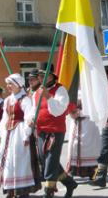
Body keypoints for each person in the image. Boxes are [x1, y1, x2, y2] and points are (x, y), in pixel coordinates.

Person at [34, 65, 77, 198]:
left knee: (51, 159)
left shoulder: (60, 90)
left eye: (45, 75)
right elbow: (33, 110)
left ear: (52, 76)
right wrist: (31, 119)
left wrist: (49, 97)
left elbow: (58, 112)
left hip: (55, 130)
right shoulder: (36, 92)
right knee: (45, 159)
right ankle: (69, 182)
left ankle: (49, 190)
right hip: (41, 130)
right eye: (40, 76)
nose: (42, 78)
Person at [0, 73, 41, 198]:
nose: (8, 86)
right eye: (8, 84)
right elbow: (4, 119)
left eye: (11, 83)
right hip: (9, 134)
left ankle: (23, 190)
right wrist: (0, 134)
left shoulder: (25, 100)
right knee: (8, 160)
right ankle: (11, 189)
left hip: (20, 133)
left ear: (18, 85)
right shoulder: (7, 100)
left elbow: (30, 117)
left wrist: (26, 135)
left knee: (20, 160)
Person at [66, 100, 100, 180]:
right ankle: (73, 171)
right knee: (73, 147)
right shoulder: (73, 91)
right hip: (76, 123)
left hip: (88, 123)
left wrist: (79, 112)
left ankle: (93, 174)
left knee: (89, 149)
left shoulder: (90, 89)